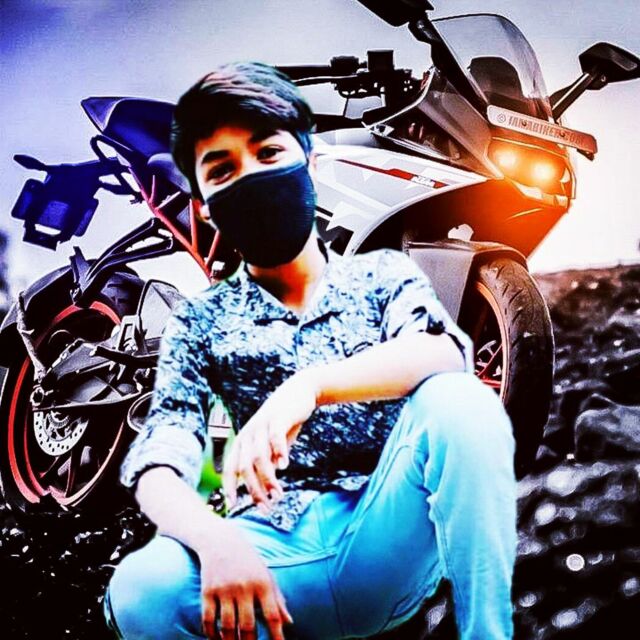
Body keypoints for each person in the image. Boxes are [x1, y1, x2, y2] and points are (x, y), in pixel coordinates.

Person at [102, 61, 517, 640]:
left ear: (312, 163)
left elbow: (443, 354)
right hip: (266, 558)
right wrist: (213, 539)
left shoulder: (382, 275)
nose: (251, 178)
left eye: (269, 153)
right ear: (203, 205)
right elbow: (159, 462)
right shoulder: (199, 322)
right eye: (222, 170)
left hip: (383, 534)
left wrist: (309, 387)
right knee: (140, 587)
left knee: (459, 401)